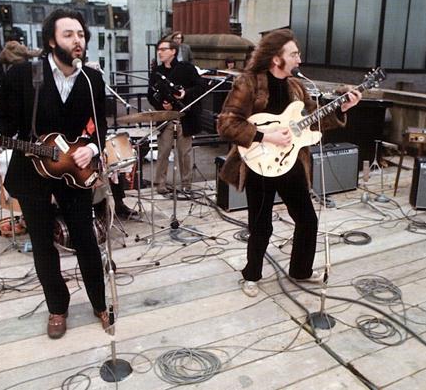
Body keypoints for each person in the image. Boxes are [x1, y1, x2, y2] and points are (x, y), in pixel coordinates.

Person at [0, 8, 110, 338]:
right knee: (42, 243)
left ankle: (100, 302)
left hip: (72, 169)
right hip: (31, 167)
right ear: (51, 40)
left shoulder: (92, 79)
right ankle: (57, 308)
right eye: (69, 34)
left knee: (86, 238)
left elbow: (101, 127)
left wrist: (92, 149)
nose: (77, 41)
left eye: (81, 35)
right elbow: (5, 119)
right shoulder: (23, 75)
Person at [217, 29, 362, 297]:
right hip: (259, 163)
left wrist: (341, 108)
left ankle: (301, 270)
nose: (299, 59)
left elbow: (313, 122)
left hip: (291, 161)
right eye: (294, 54)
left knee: (307, 219)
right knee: (261, 225)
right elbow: (226, 124)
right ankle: (251, 275)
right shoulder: (248, 83)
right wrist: (265, 135)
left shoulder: (296, 87)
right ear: (276, 58)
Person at [147, 39, 205, 194]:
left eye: (163, 49)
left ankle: (186, 184)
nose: (159, 52)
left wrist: (185, 93)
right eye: (158, 49)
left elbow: (201, 86)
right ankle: (160, 183)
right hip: (166, 117)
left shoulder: (187, 68)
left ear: (173, 51)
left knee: (184, 153)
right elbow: (150, 95)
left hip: (184, 117)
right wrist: (162, 105)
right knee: (163, 152)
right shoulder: (156, 72)